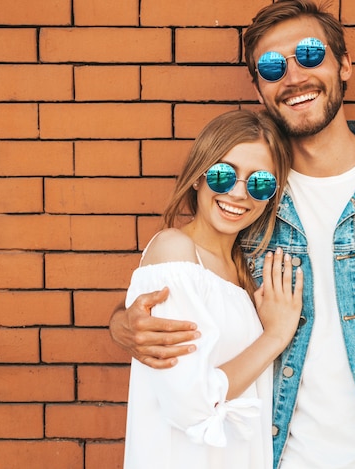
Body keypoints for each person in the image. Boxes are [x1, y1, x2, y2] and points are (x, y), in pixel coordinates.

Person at [111, 2, 355, 468]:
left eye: (310, 54)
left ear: (344, 64)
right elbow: (189, 286)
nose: (294, 76)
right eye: (273, 66)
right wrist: (123, 325)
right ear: (259, 88)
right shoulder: (250, 200)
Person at [122, 109, 303, 469]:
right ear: (198, 177)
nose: (238, 193)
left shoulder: (241, 270)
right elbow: (191, 403)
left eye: (260, 182)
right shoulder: (174, 251)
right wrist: (275, 336)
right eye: (223, 175)